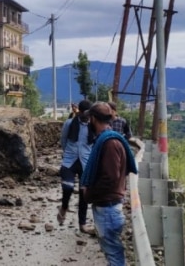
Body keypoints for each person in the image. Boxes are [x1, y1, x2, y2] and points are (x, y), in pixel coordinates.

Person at [81, 102, 138, 266]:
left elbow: (110, 178)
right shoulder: (110, 139)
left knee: (114, 255)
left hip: (108, 208)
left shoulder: (109, 143)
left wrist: (88, 194)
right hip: (110, 207)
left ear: (93, 119)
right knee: (112, 253)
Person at [58, 99, 95, 235]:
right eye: (85, 113)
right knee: (67, 186)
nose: (87, 116)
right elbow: (63, 139)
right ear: (80, 112)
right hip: (70, 160)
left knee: (84, 194)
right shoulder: (69, 123)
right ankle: (64, 206)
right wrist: (67, 152)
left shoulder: (93, 126)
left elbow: (95, 143)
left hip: (86, 162)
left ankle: (82, 224)